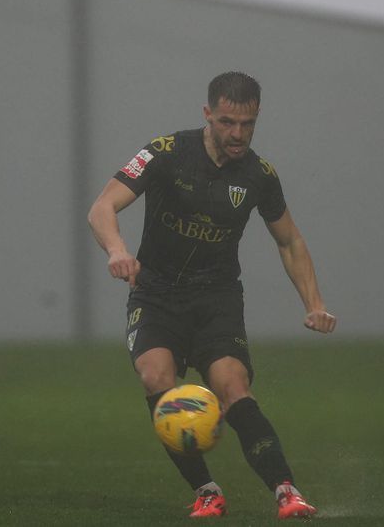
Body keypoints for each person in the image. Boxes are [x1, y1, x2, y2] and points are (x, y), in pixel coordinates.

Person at [88, 71, 336, 519]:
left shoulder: (260, 175)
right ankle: (206, 490)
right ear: (207, 114)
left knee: (232, 386)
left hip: (216, 298)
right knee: (155, 378)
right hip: (156, 293)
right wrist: (117, 251)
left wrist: (314, 304)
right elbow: (101, 207)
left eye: (247, 124)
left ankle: (286, 491)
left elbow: (290, 241)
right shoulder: (163, 153)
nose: (237, 134)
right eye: (226, 122)